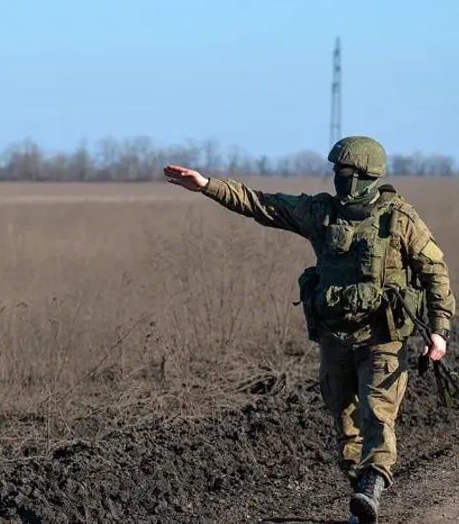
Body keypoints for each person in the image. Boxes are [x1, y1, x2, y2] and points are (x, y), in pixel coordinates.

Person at [163, 135, 455, 523]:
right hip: (334, 339)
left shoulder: (399, 220)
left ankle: (373, 482)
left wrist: (438, 331)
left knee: (377, 414)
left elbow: (435, 273)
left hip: (382, 339)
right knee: (344, 420)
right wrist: (206, 186)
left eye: (347, 171)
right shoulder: (320, 213)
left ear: (367, 174)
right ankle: (361, 494)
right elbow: (262, 204)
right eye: (337, 170)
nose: (340, 177)